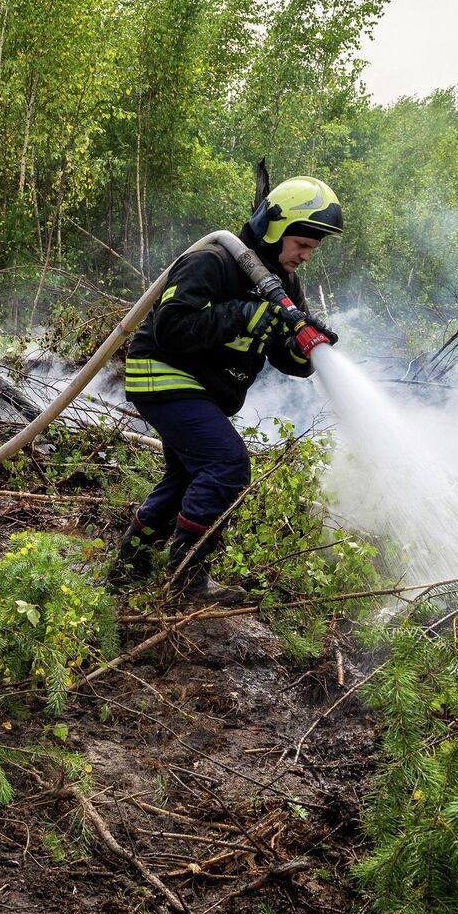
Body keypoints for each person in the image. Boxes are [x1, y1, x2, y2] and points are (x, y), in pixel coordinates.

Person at [118, 172, 343, 601]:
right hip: (162, 374)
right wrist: (243, 315)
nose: (306, 257)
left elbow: (284, 356)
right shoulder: (213, 260)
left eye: (312, 249)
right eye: (302, 245)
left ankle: (129, 566)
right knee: (227, 463)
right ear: (276, 229)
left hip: (199, 388)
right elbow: (171, 327)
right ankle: (187, 579)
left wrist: (304, 350)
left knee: (185, 478)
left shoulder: (283, 284)